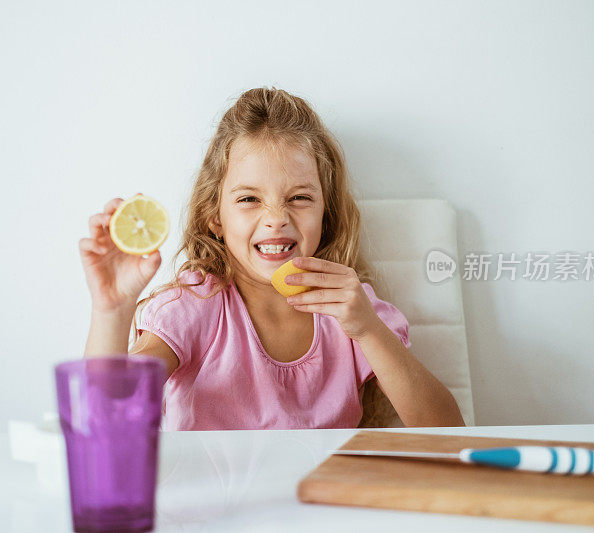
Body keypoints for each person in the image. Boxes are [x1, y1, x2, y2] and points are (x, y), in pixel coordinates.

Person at [79, 87, 465, 430]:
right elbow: (104, 416)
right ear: (215, 216)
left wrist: (367, 330)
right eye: (249, 199)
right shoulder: (195, 305)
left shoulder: (353, 307)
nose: (276, 218)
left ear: (325, 214)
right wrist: (113, 310)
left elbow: (447, 430)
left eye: (299, 198)